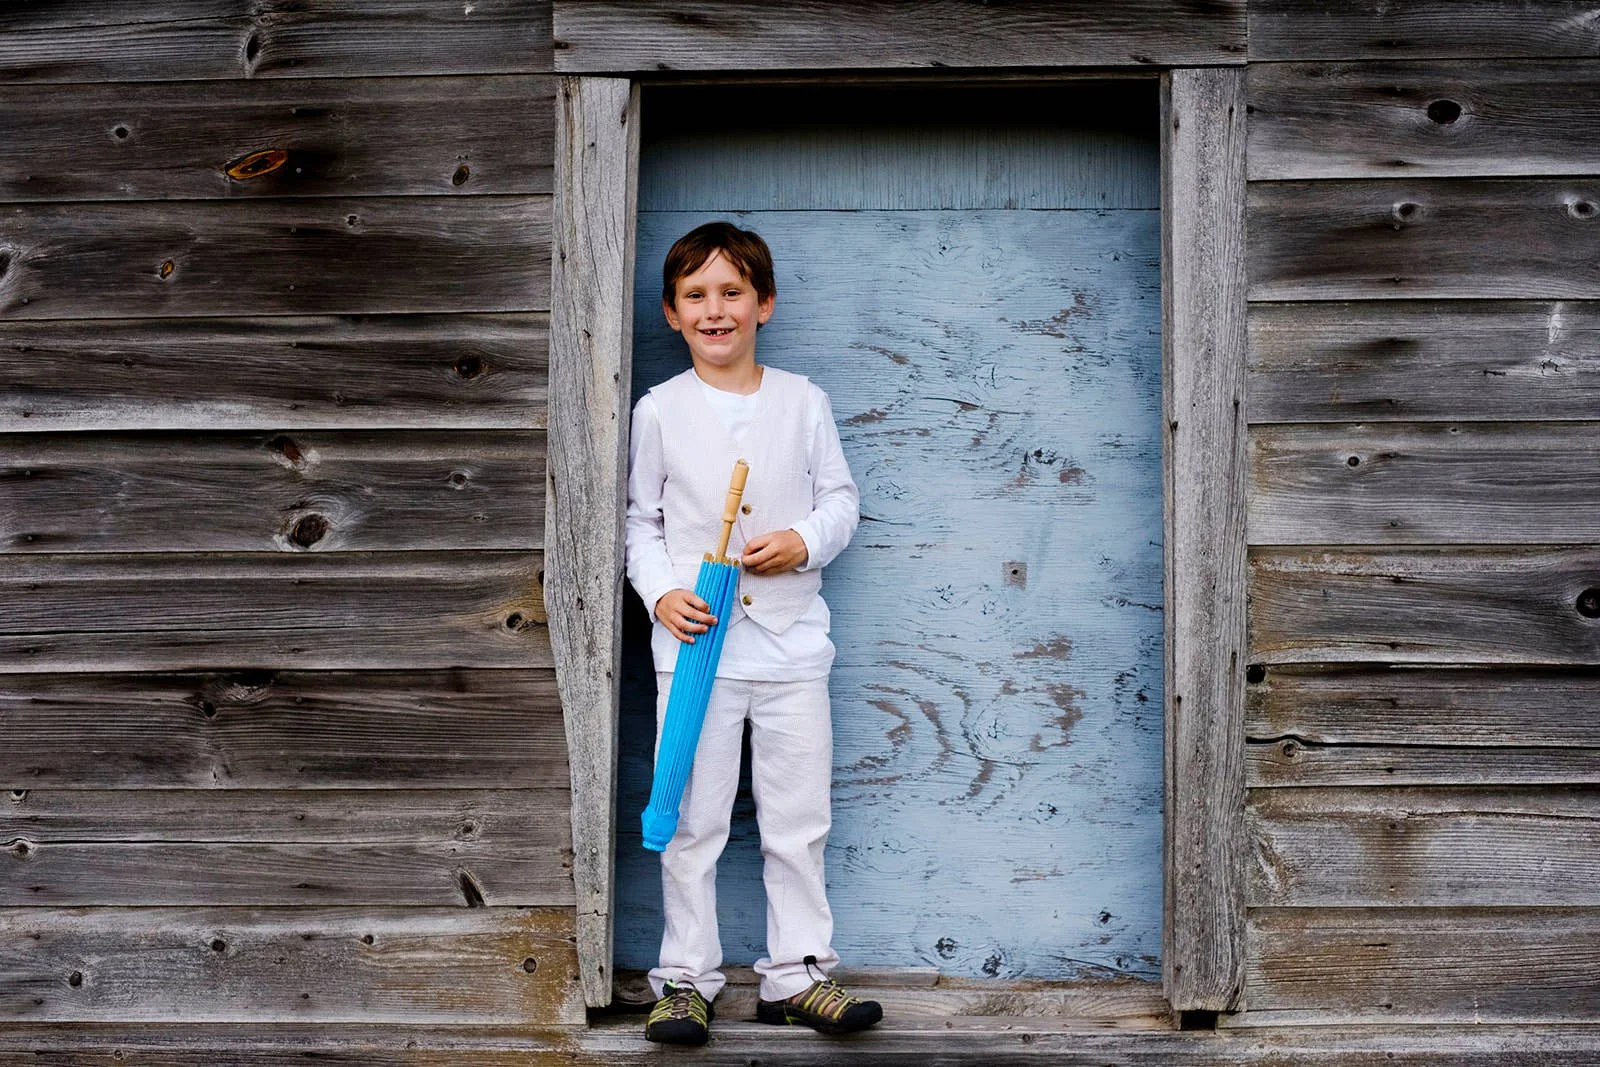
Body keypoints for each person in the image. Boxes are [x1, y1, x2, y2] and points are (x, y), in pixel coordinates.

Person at [625, 221, 883, 1045]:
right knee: (694, 817)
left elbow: (841, 501)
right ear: (671, 313)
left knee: (796, 817)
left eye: (731, 292)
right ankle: (685, 980)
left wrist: (803, 540)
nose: (715, 309)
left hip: (792, 643)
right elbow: (642, 523)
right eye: (696, 295)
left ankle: (797, 976)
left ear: (762, 304)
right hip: (695, 646)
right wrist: (661, 593)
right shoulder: (659, 410)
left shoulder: (803, 401)